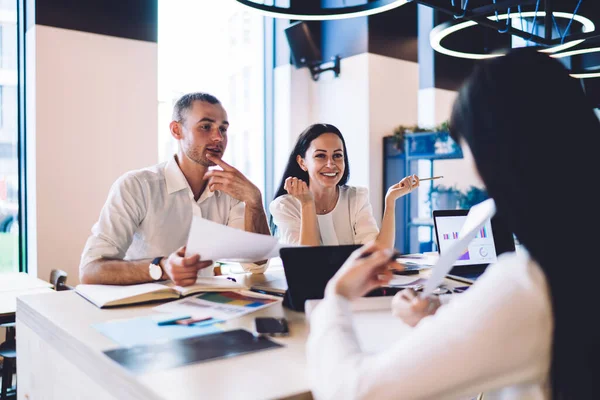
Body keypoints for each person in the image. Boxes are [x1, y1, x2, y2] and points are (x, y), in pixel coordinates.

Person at [306, 48, 600, 399]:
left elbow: (354, 391)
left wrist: (334, 297)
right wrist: (438, 321)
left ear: (497, 156)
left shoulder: (530, 283)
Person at [79, 92, 270, 286]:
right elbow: (90, 270)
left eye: (223, 129)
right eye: (205, 127)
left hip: (205, 308)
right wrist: (162, 267)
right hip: (145, 308)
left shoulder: (230, 190)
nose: (218, 138)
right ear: (177, 130)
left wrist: (255, 202)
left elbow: (255, 264)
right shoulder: (136, 186)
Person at [269, 123, 418, 247]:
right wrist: (307, 204)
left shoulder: (356, 197)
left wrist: (390, 201)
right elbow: (308, 263)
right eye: (320, 156)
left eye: (337, 155)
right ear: (302, 162)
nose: (330, 164)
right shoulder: (285, 206)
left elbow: (378, 254)